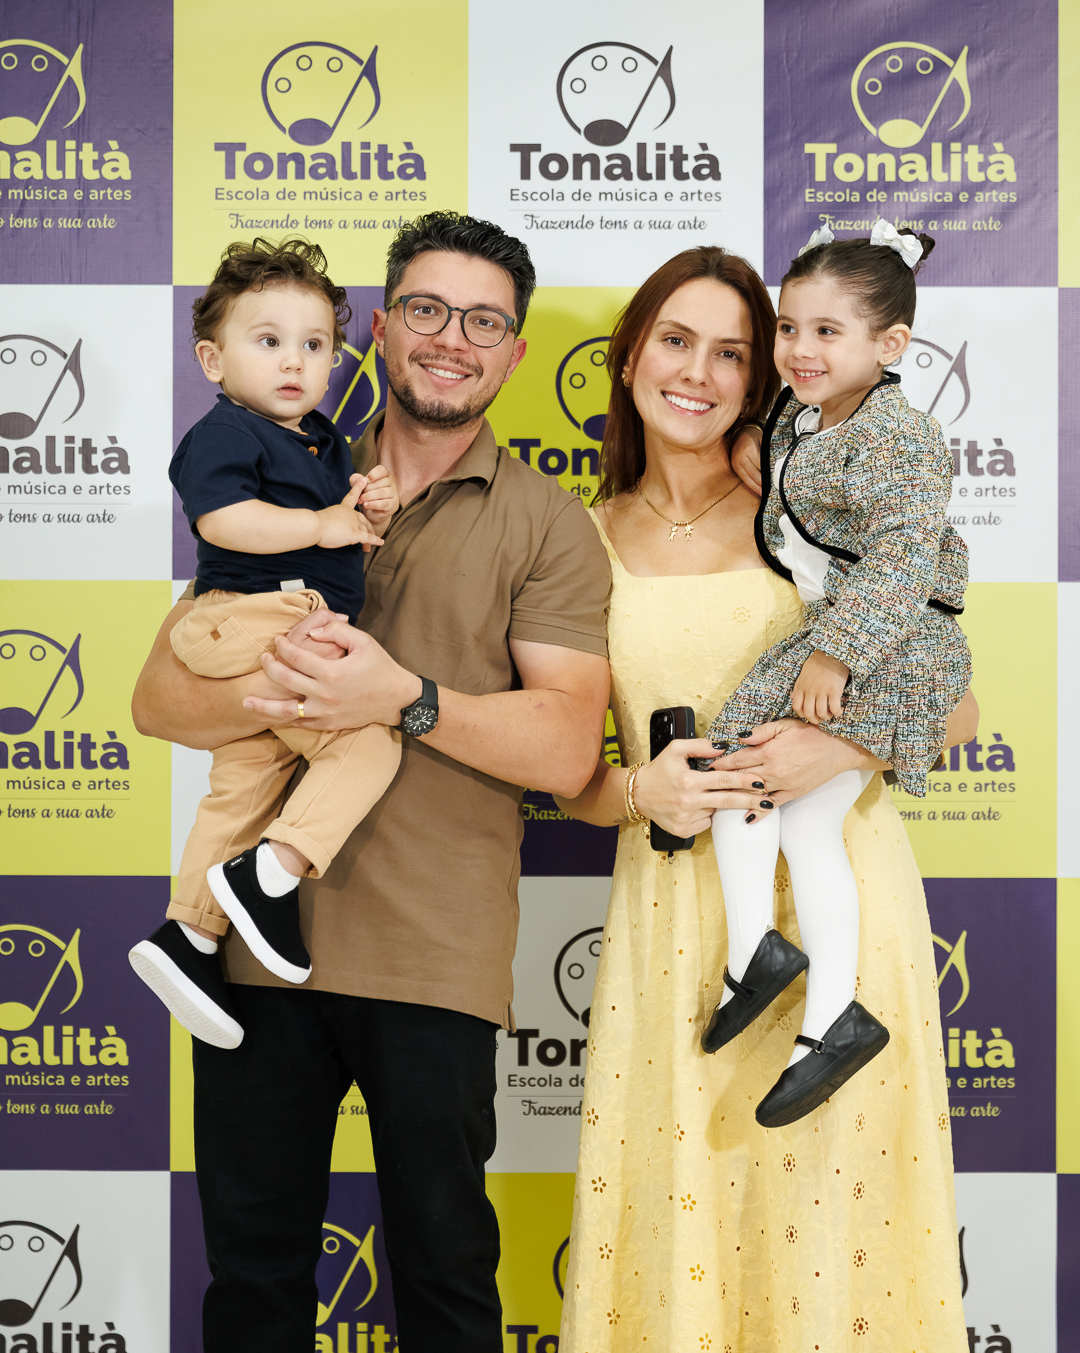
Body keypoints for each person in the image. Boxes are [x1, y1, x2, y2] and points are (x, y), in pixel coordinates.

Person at [131, 211, 612, 1353]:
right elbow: (160, 703)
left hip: (433, 955)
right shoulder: (282, 456)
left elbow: (565, 752)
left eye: (484, 322)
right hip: (251, 959)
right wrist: (302, 692)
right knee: (253, 1289)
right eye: (429, 310)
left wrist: (401, 696)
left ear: (515, 353)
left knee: (448, 1289)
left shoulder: (549, 523)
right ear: (384, 328)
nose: (453, 339)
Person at [556, 245, 974, 1352]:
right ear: (630, 356)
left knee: (832, 1239)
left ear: (765, 376)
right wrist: (636, 789)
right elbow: (570, 777)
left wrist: (834, 750)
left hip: (838, 904)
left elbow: (958, 708)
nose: (699, 373)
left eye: (733, 352)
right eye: (675, 341)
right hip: (674, 927)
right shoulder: (576, 537)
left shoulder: (805, 515)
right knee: (685, 1228)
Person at [700, 220, 972, 1128]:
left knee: (753, 776)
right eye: (789, 328)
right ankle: (813, 1006)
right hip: (845, 630)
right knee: (787, 807)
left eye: (828, 331)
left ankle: (779, 977)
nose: (800, 350)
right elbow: (786, 459)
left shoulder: (901, 435)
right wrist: (755, 447)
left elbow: (902, 560)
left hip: (892, 642)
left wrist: (837, 656)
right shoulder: (803, 412)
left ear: (890, 345)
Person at [130, 240, 403, 1044]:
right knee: (366, 740)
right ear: (212, 361)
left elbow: (338, 527)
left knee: (248, 777)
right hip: (252, 613)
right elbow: (224, 521)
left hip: (277, 614)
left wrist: (366, 509)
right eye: (269, 340)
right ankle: (270, 874)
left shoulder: (319, 438)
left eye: (315, 345)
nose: (294, 361)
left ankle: (188, 933)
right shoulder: (225, 432)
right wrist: (321, 524)